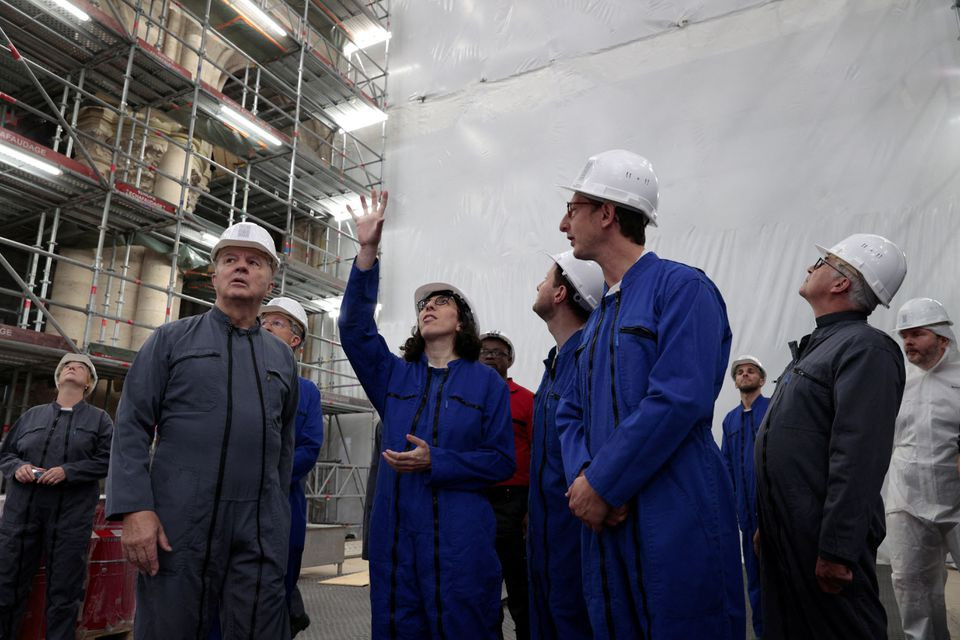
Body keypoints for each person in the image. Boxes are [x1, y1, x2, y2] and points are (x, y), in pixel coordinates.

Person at [555, 150, 745, 638]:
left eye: (572, 209)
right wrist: (585, 479)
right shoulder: (597, 320)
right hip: (605, 518)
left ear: (606, 213)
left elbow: (679, 398)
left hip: (674, 509)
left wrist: (603, 483)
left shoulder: (683, 288)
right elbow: (569, 411)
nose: (563, 224)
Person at [106, 221, 299, 639]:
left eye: (254, 262)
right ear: (214, 277)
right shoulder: (171, 340)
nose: (240, 267)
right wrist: (135, 509)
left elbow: (284, 447)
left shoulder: (282, 358)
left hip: (258, 527)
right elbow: (132, 425)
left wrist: (277, 517)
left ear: (270, 283)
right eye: (230, 260)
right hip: (179, 523)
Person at [338, 189, 515, 639]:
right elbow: (355, 330)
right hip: (398, 543)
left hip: (462, 545)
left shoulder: (487, 383)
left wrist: (439, 461)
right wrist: (367, 252)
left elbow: (501, 461)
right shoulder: (394, 377)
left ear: (461, 322)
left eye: (441, 301)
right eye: (423, 305)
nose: (428, 307)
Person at [754, 233, 907, 640]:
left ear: (841, 282)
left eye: (822, 263)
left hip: (820, 539)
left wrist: (838, 548)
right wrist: (770, 523)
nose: (811, 267)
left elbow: (859, 456)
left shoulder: (866, 349)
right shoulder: (820, 346)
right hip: (789, 535)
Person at [0, 353, 113, 639]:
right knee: (6, 584)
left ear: (88, 383)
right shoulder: (31, 416)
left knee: (64, 592)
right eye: (67, 366)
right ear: (59, 378)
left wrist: (68, 471)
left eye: (81, 367)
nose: (72, 367)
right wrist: (18, 467)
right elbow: (6, 454)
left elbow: (108, 460)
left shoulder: (100, 420)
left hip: (70, 516)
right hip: (22, 512)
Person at [527, 250, 603, 640]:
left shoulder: (588, 361)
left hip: (575, 533)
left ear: (560, 293)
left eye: (546, 278)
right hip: (544, 532)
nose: (538, 285)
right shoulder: (555, 363)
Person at [885, 297, 960, 640]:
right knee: (911, 585)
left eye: (917, 334)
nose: (908, 342)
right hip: (908, 501)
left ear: (942, 337)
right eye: (904, 336)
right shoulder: (897, 381)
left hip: (957, 499)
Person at [478, 330, 534, 640]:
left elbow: (540, 455)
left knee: (520, 588)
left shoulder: (527, 400)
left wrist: (530, 509)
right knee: (482, 590)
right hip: (476, 502)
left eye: (498, 352)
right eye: (484, 351)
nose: (490, 355)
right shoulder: (466, 400)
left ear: (510, 360)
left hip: (515, 504)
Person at [720, 354, 770, 638]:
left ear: (761, 379)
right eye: (740, 372)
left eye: (751, 371)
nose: (745, 374)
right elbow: (726, 468)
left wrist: (769, 517)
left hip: (772, 513)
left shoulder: (773, 409)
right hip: (745, 518)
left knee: (781, 580)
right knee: (754, 583)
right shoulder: (730, 420)